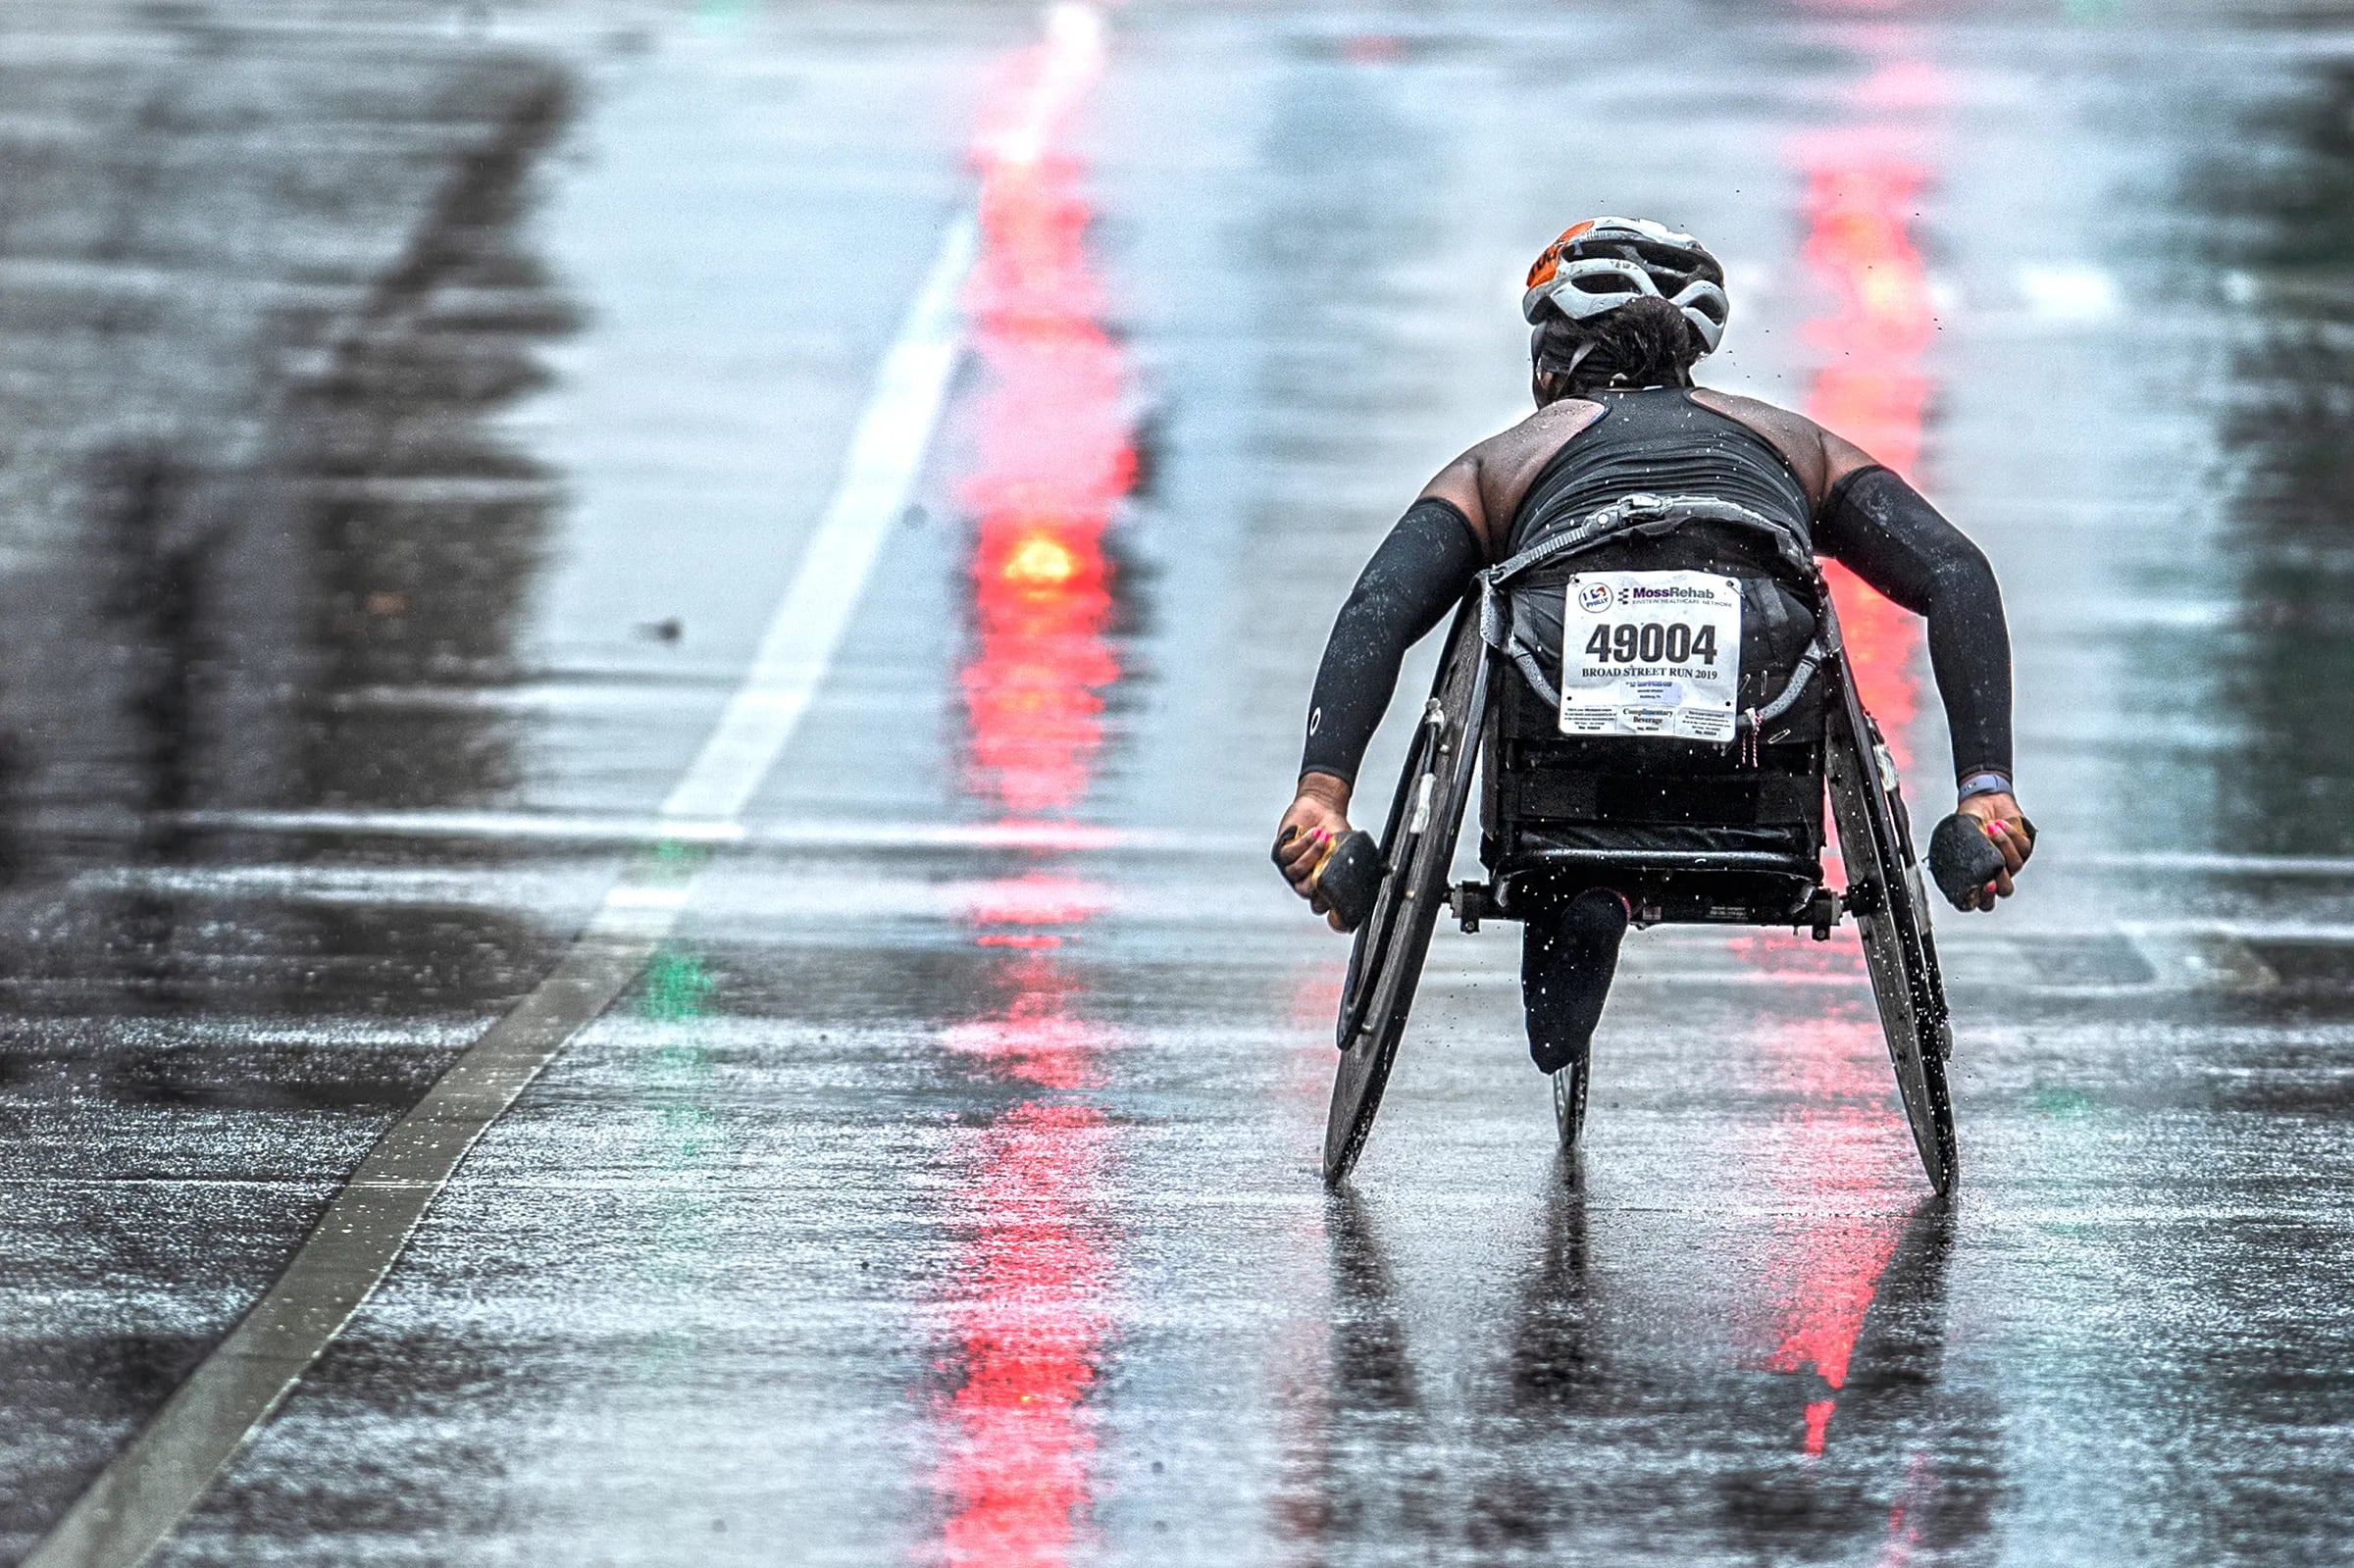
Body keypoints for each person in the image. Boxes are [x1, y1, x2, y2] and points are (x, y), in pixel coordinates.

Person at [1274, 216, 2032, 1076]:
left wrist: (1322, 794)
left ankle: (1590, 889)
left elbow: (1380, 606)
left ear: (1549, 367)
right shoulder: (1793, 442)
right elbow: (1956, 573)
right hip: (1750, 772)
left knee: (1540, 725)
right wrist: (1987, 791)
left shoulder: (1504, 462)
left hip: (1564, 778)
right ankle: (1608, 886)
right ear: (1689, 354)